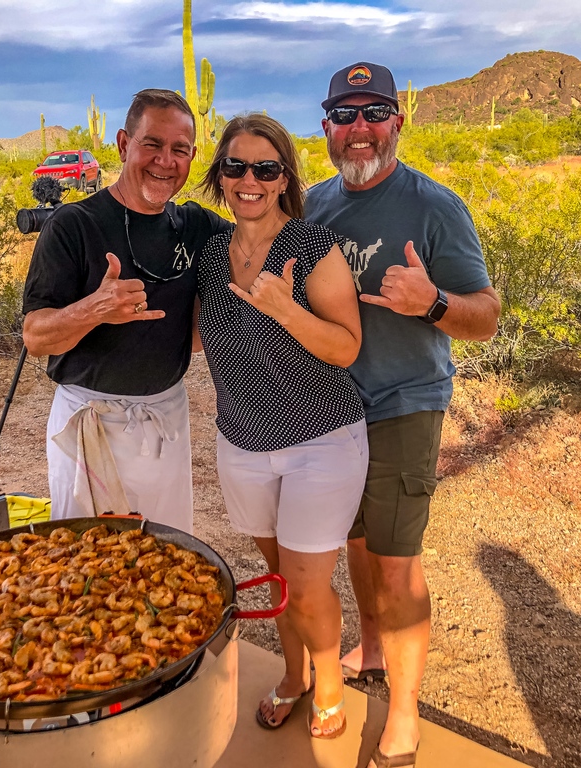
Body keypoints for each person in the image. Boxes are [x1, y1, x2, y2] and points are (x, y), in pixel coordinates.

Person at [305, 62, 501, 767]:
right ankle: (374, 644)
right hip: (330, 410)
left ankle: (406, 718)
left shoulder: (433, 206)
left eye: (374, 112)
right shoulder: (314, 206)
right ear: (326, 126)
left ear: (398, 120)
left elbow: (486, 316)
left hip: (403, 401)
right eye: (344, 115)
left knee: (396, 562)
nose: (359, 130)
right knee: (357, 545)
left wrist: (436, 304)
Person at [197, 114, 368, 740]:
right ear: (220, 177)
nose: (250, 180)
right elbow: (197, 335)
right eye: (237, 166)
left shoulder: (312, 248)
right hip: (241, 440)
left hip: (320, 440)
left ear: (284, 180)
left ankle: (327, 686)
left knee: (306, 582)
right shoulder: (212, 254)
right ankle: (294, 676)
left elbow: (347, 347)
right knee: (277, 579)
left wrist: (286, 309)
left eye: (266, 169)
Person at [21, 89, 230, 532]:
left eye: (179, 149)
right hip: (89, 425)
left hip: (166, 420)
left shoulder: (196, 226)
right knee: (86, 572)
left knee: (167, 558)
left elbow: (261, 240)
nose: (165, 161)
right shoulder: (73, 226)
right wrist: (93, 309)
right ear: (122, 144)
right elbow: (36, 337)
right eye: (152, 144)